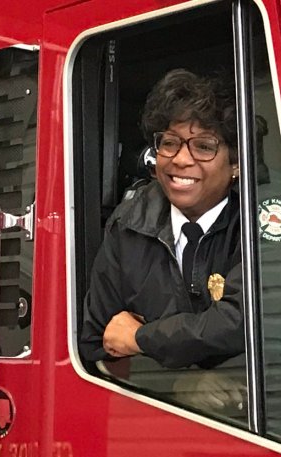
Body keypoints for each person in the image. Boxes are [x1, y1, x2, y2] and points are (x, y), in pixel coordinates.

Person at [80, 68, 244, 371]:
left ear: (236, 163)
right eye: (170, 143)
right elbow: (98, 341)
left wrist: (142, 337)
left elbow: (239, 324)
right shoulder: (128, 223)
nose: (181, 159)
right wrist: (183, 385)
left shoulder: (256, 220)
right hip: (156, 405)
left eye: (204, 146)